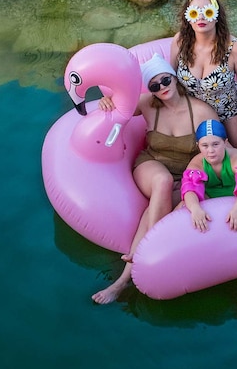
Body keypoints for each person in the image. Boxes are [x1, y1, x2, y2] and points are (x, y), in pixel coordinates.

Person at [92, 54, 220, 305]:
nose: (161, 87)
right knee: (161, 182)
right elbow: (121, 104)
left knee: (156, 211)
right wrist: (107, 101)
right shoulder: (147, 104)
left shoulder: (202, 111)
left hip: (184, 173)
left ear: (173, 78)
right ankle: (145, 252)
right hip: (151, 165)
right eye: (154, 85)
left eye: (164, 80)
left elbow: (216, 150)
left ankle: (123, 280)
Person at [171, 0, 237, 167]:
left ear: (217, 15)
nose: (201, 18)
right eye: (195, 12)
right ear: (188, 16)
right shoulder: (180, 41)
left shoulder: (234, 48)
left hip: (228, 111)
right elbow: (170, 80)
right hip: (195, 114)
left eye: (207, 11)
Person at [179, 119, 237, 232]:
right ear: (198, 145)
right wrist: (195, 209)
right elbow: (190, 190)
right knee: (182, 206)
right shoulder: (197, 163)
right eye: (205, 145)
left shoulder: (235, 157)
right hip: (209, 198)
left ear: (225, 142)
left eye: (215, 144)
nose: (210, 150)